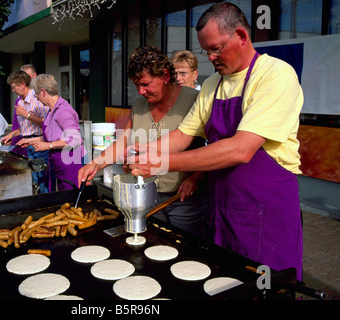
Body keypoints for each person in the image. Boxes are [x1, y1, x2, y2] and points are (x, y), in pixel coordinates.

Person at [125, 3, 304, 280]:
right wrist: (140, 151)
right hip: (222, 207)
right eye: (205, 50)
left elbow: (241, 149)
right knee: (223, 281)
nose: (210, 57)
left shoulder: (274, 76)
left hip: (266, 211)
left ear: (242, 36)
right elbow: (183, 136)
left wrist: (160, 163)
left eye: (216, 48)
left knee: (266, 289)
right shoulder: (212, 85)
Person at [77, 46, 209, 238]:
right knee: (153, 245)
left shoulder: (194, 99)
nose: (140, 91)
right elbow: (123, 142)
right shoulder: (139, 105)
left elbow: (211, 146)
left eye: (146, 84)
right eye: (136, 85)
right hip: (146, 193)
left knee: (185, 249)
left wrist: (197, 177)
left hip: (183, 198)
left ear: (165, 75)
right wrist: (94, 164)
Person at [17, 74, 86, 192]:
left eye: (36, 95)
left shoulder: (63, 110)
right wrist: (29, 141)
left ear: (43, 92)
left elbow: (75, 140)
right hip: (59, 162)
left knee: (70, 200)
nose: (36, 98)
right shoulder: (51, 110)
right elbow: (52, 137)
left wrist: (47, 146)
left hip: (70, 163)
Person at [2, 70, 50, 194]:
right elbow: (27, 127)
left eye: (14, 87)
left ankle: (46, 204)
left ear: (23, 84)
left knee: (43, 181)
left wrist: (26, 115)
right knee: (35, 180)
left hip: (40, 144)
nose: (12, 90)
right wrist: (12, 134)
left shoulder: (37, 98)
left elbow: (47, 124)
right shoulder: (21, 101)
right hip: (29, 145)